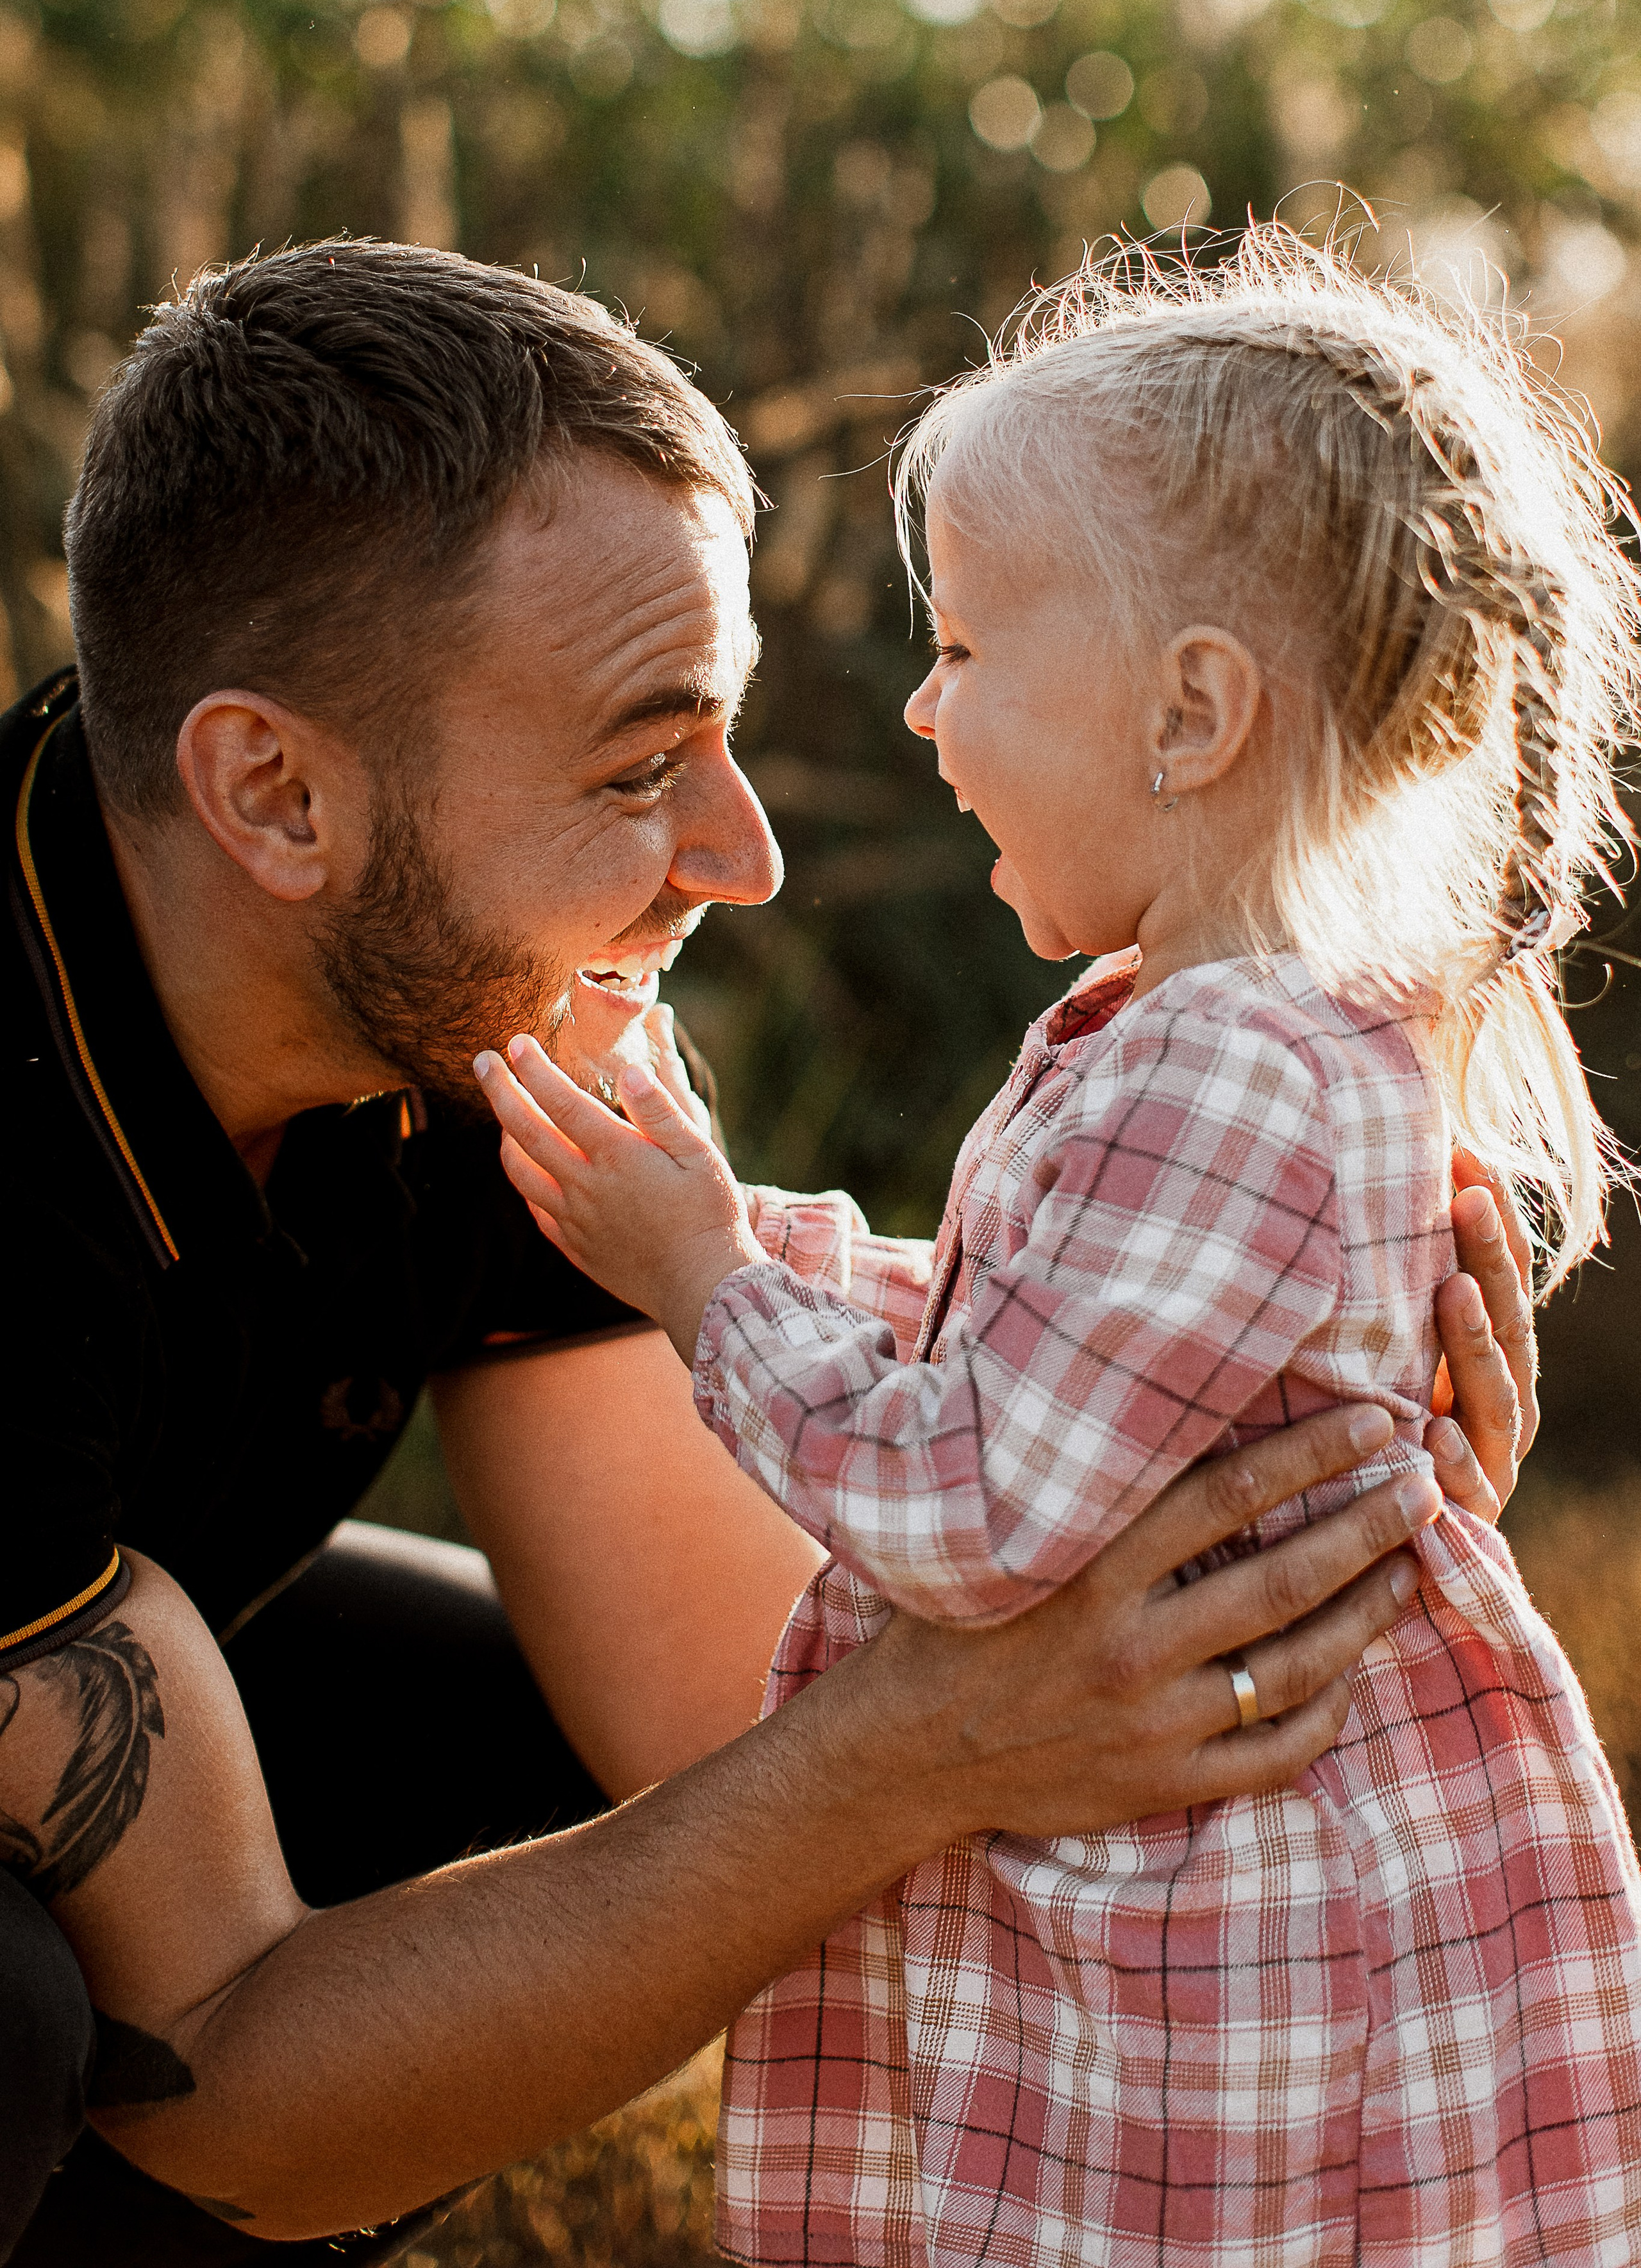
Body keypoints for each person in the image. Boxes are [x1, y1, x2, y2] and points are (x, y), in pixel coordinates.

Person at [0, 241, 1530, 2268]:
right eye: (642, 765)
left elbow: (727, 1715)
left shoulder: (468, 995)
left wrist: (1234, 1418)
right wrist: (902, 1757)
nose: (743, 855)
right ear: (272, 791)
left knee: (602, 1786)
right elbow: (232, 2067)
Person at [473, 228, 1640, 2266]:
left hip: (1213, 1935)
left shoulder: (1236, 1067)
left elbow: (982, 1499)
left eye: (972, 653)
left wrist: (703, 1288)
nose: (925, 714)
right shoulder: (1238, 1034)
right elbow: (1038, 1350)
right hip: (1212, 1865)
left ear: (1192, 714)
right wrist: (734, 1218)